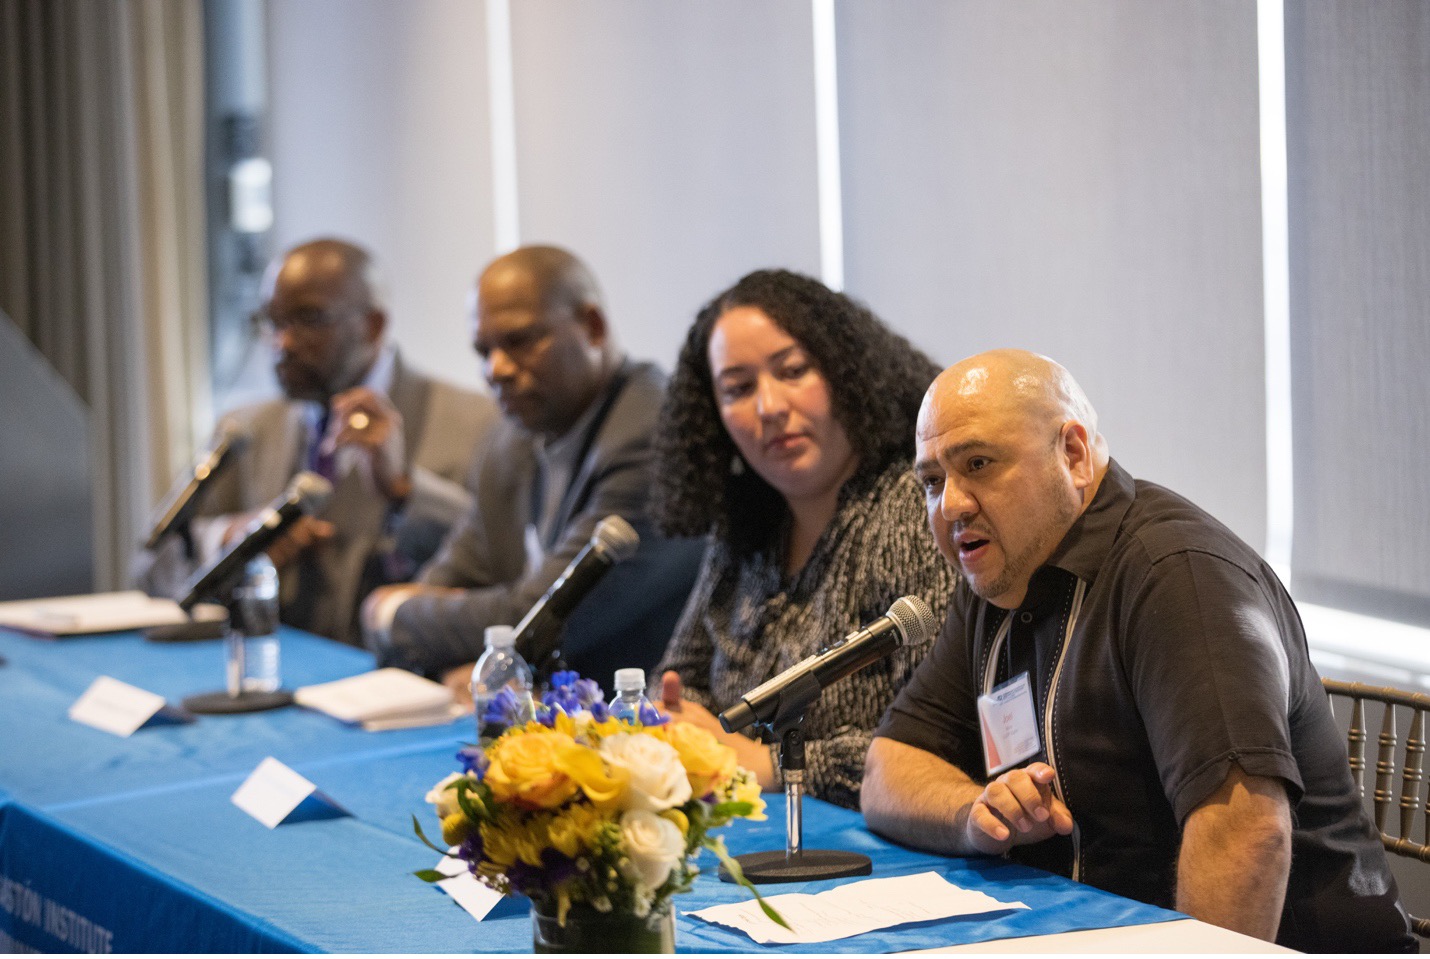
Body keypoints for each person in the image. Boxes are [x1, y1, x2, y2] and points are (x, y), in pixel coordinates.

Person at [862, 349, 1413, 951]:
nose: (952, 506)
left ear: (1072, 454)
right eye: (933, 482)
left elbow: (1245, 830)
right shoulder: (998, 571)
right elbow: (889, 767)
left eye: (978, 464)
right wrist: (973, 814)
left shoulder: (1178, 577)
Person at [651, 269, 957, 811]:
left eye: (793, 371)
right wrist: (682, 722)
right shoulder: (745, 520)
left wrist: (770, 766)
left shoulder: (915, 509)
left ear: (849, 373)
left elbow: (936, 745)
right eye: (738, 389)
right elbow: (682, 680)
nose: (768, 406)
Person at [364, 245, 704, 693]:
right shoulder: (512, 439)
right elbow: (452, 576)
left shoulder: (655, 436)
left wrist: (391, 613)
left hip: (635, 726)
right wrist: (448, 623)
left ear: (593, 327)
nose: (496, 369)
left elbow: (541, 617)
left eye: (521, 341)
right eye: (484, 350)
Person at [138, 238, 496, 646]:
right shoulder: (246, 429)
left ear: (374, 325)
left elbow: (501, 562)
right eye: (272, 323)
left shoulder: (476, 424)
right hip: (270, 674)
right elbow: (150, 567)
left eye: (309, 320)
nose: (282, 344)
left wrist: (404, 491)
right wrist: (229, 536)